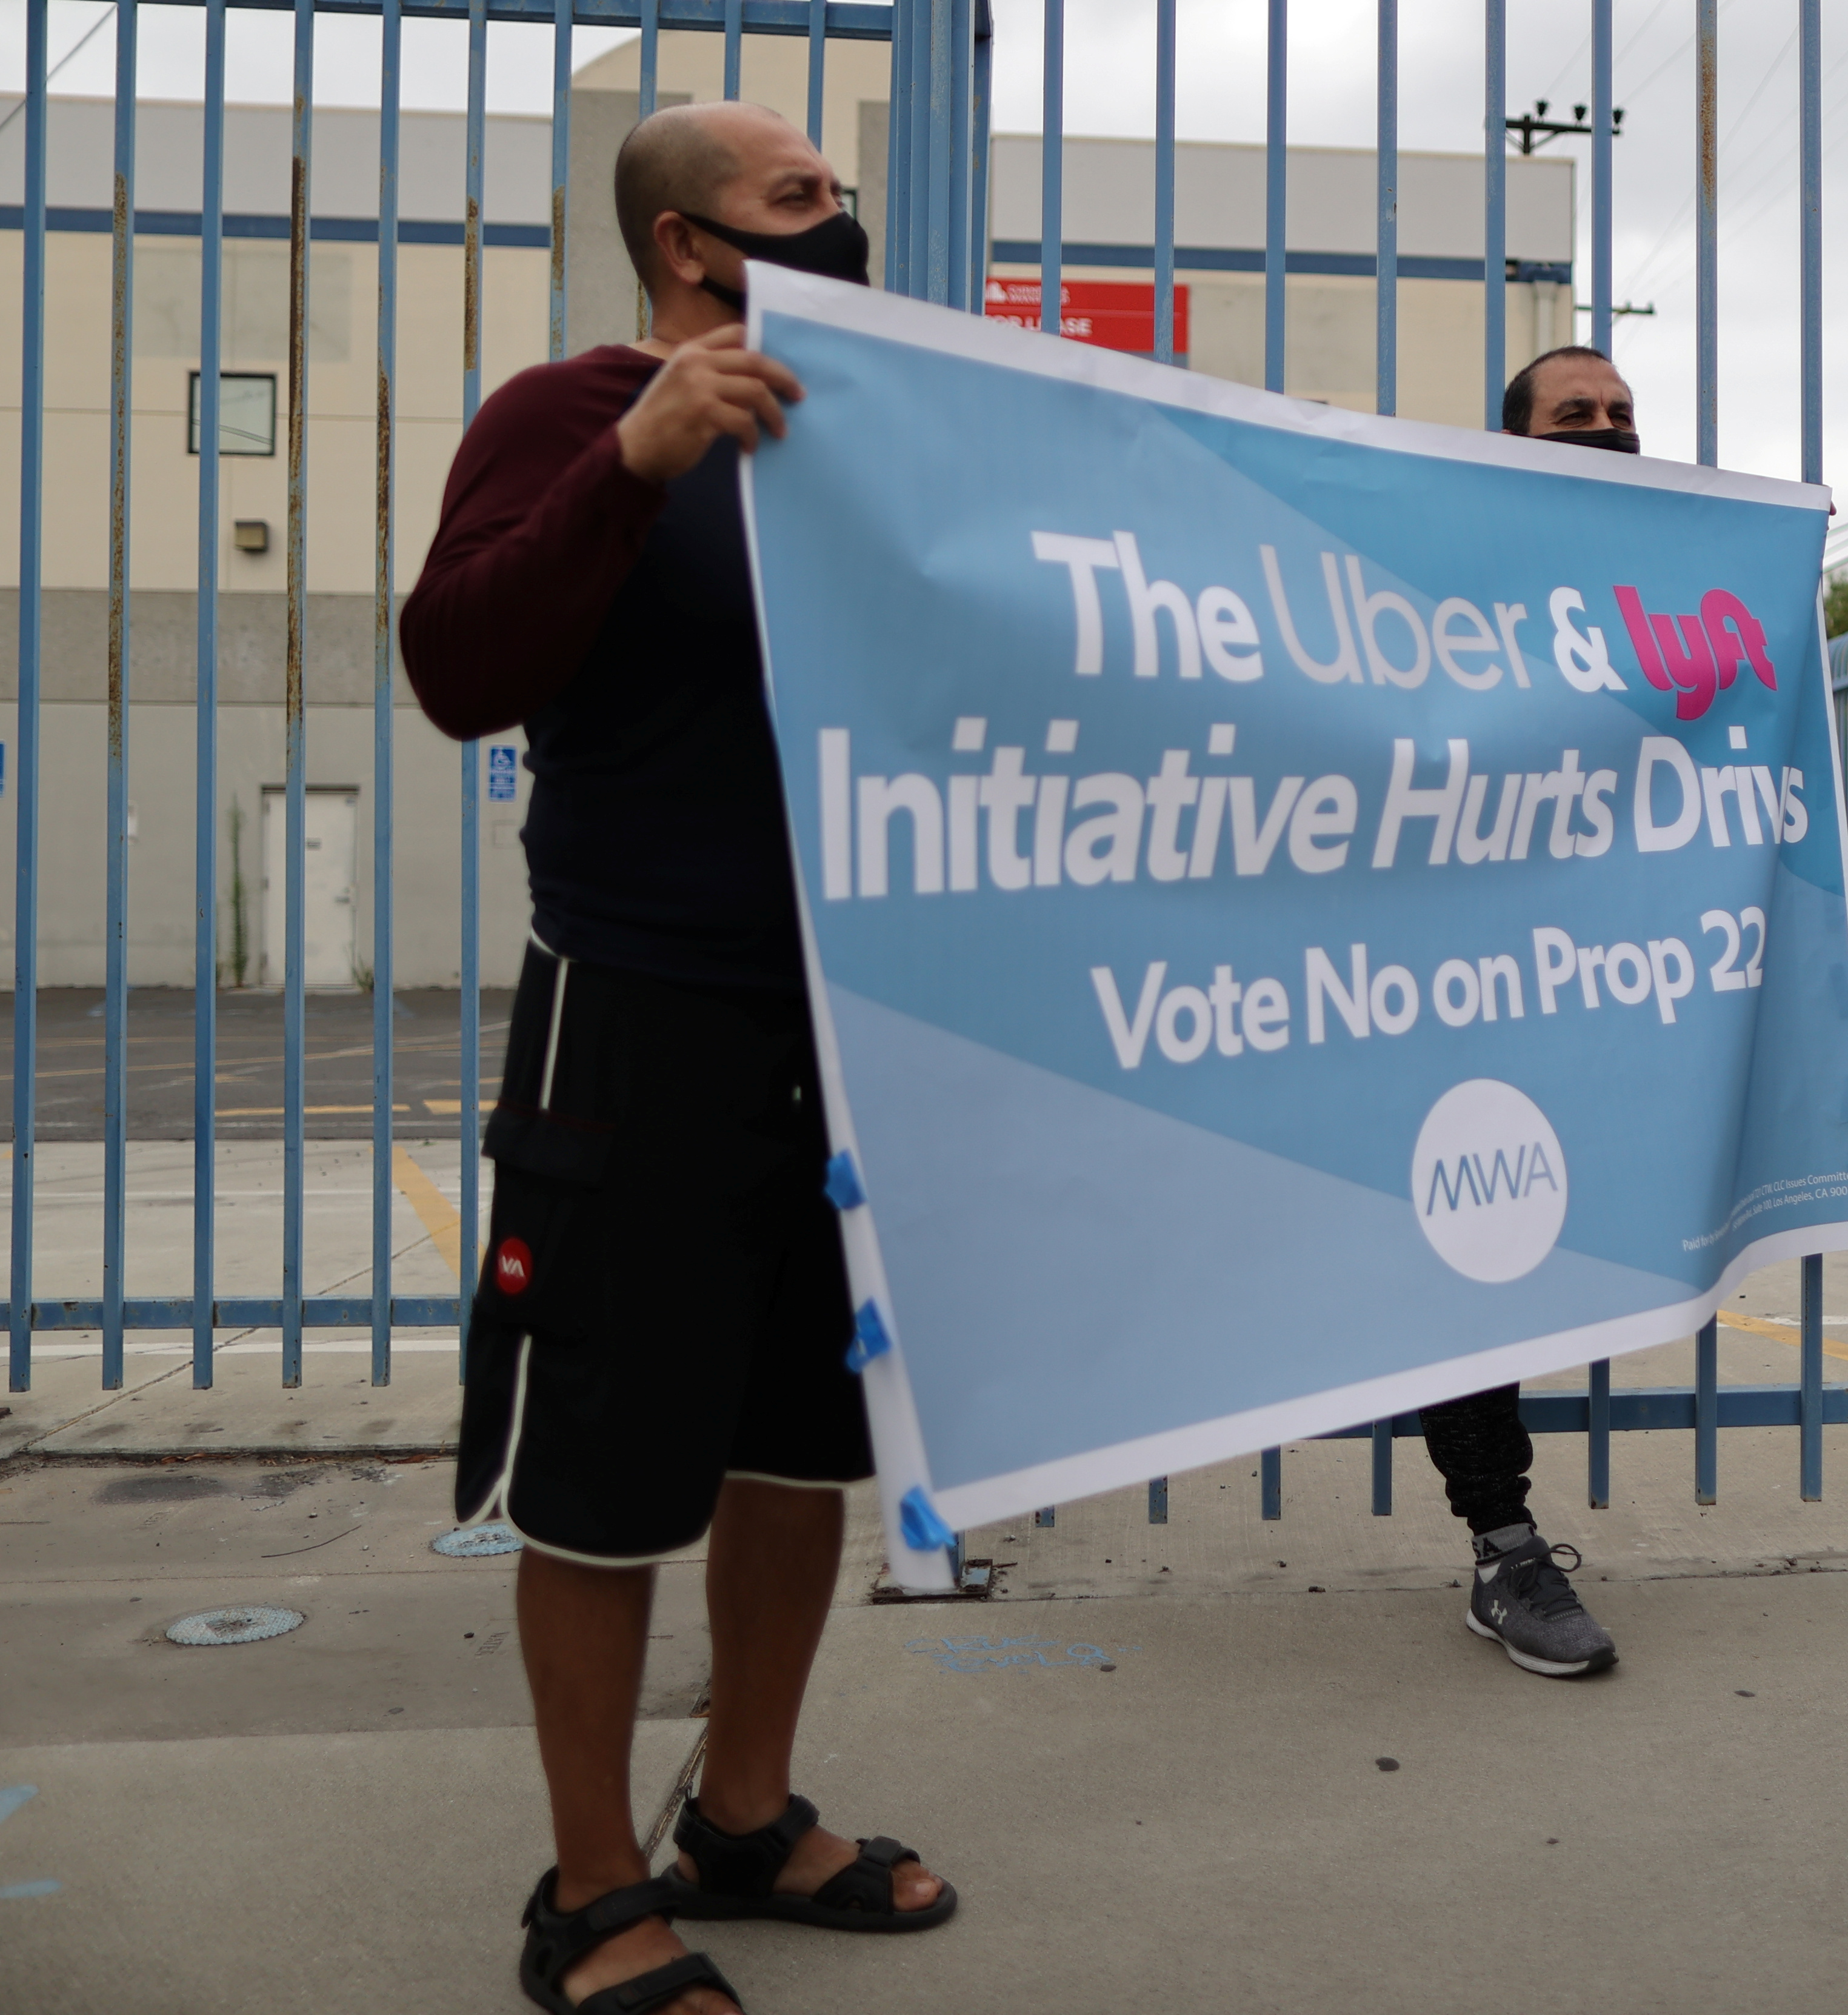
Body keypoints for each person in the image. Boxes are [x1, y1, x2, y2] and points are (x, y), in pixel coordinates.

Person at [404, 102, 953, 2015]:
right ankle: (589, 1890)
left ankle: (741, 1810)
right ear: (686, 248)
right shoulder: (563, 418)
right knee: (610, 1477)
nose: (846, 222)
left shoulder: (879, 439)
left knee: (796, 1454)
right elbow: (458, 664)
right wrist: (631, 466)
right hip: (637, 1017)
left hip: (846, 1032)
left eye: (841, 195)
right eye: (801, 200)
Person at [1393, 345, 1644, 1680]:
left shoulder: (1664, 578)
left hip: (1609, 982)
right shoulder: (1447, 571)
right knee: (1471, 1258)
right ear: (1515, 438)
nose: (1603, 432)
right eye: (1573, 417)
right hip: (1457, 980)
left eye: (1619, 417)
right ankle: (1505, 1543)